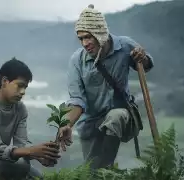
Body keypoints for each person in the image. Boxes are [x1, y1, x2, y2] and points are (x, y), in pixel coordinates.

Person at [57, 5, 155, 169]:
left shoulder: (124, 46)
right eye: (81, 38)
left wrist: (142, 57)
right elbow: (77, 100)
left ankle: (106, 168)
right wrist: (68, 124)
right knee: (91, 172)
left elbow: (146, 65)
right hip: (90, 124)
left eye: (88, 37)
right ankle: (103, 171)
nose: (85, 43)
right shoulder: (76, 61)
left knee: (115, 117)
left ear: (100, 33)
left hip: (121, 117)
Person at [0, 57, 61, 180]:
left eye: (25, 87)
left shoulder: (20, 109)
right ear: (4, 81)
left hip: (3, 161)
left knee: (38, 177)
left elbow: (21, 144)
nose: (23, 92)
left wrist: (39, 155)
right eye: (19, 86)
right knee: (20, 166)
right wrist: (32, 151)